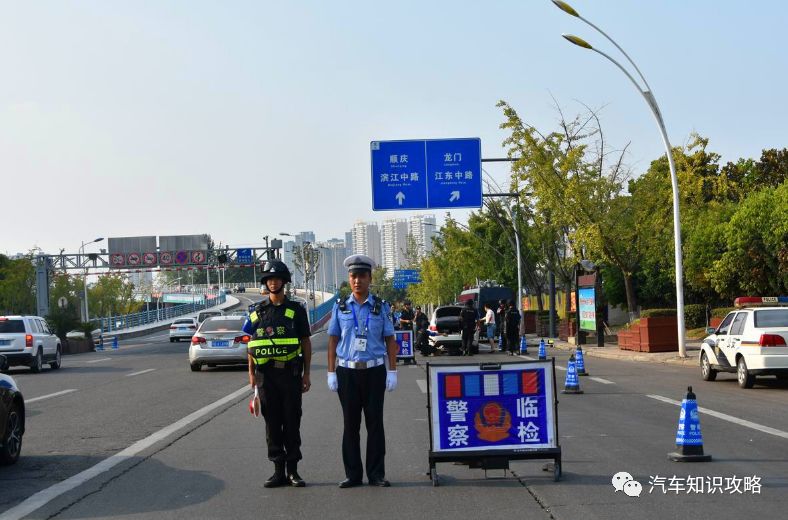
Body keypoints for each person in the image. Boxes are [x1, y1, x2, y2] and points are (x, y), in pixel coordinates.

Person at [327, 255, 398, 488]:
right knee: (350, 425)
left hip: (374, 371)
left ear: (370, 278)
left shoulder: (381, 306)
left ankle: (376, 474)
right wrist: (330, 372)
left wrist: (392, 371)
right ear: (349, 279)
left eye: (362, 276)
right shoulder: (340, 306)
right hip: (347, 373)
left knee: (375, 423)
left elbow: (390, 340)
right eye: (353, 276)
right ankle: (353, 475)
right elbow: (332, 340)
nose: (357, 280)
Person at [243, 260, 312, 488]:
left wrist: (306, 374)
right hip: (266, 376)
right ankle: (278, 471)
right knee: (272, 424)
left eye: (277, 279)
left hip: (291, 374)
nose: (273, 283)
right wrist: (251, 373)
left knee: (292, 421)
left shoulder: (296, 311)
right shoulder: (257, 312)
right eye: (269, 279)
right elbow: (251, 344)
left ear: (284, 282)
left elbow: (305, 342)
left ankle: (293, 471)